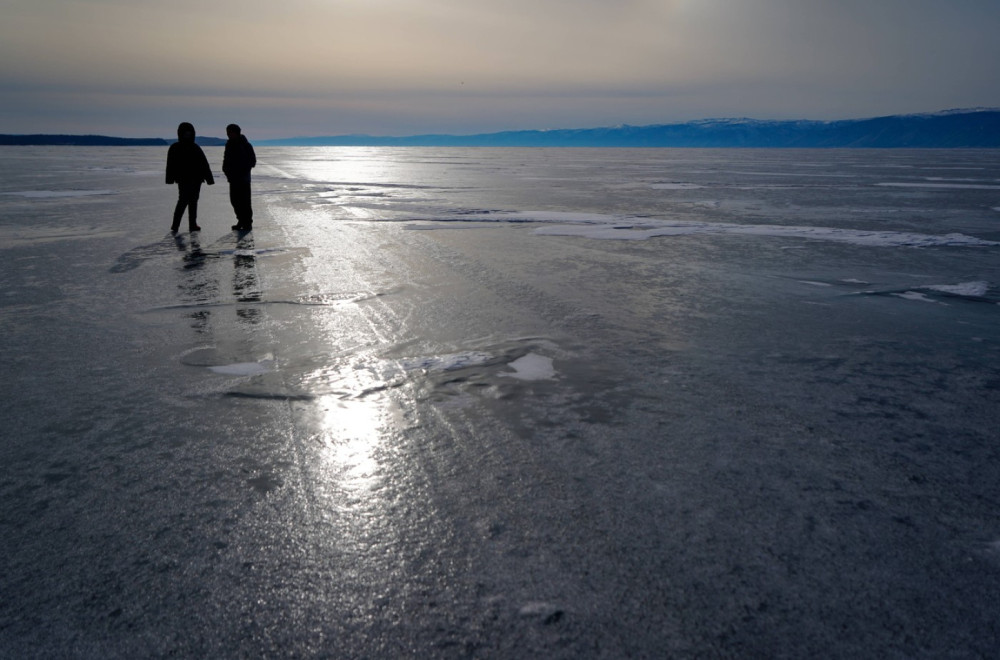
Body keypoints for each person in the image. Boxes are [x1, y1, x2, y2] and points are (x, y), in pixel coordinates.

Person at [165, 122, 214, 232]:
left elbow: (204, 164)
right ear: (180, 134)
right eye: (185, 133)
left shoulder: (195, 147)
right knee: (182, 201)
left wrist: (209, 179)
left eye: (189, 133)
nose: (187, 135)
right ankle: (175, 225)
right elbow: (170, 164)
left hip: (196, 179)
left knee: (193, 201)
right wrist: (170, 179)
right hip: (183, 179)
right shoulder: (175, 147)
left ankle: (192, 224)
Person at [223, 123, 256, 231]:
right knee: (234, 201)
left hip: (244, 179)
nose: (228, 134)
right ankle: (241, 220)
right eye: (227, 132)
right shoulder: (229, 145)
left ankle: (247, 223)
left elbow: (252, 161)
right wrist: (226, 170)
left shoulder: (246, 145)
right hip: (233, 179)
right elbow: (226, 160)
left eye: (230, 132)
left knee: (245, 202)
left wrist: (243, 169)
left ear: (236, 133)